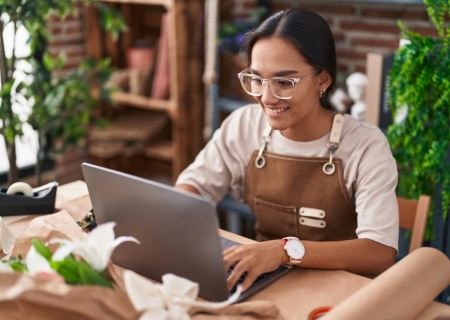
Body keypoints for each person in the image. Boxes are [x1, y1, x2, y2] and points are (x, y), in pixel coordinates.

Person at [176, 8, 398, 293]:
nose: (267, 97)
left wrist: (283, 251)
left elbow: (379, 253)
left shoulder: (366, 145)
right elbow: (191, 186)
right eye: (257, 79)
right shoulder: (244, 124)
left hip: (341, 295)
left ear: (323, 80)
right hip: (263, 283)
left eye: (284, 82)